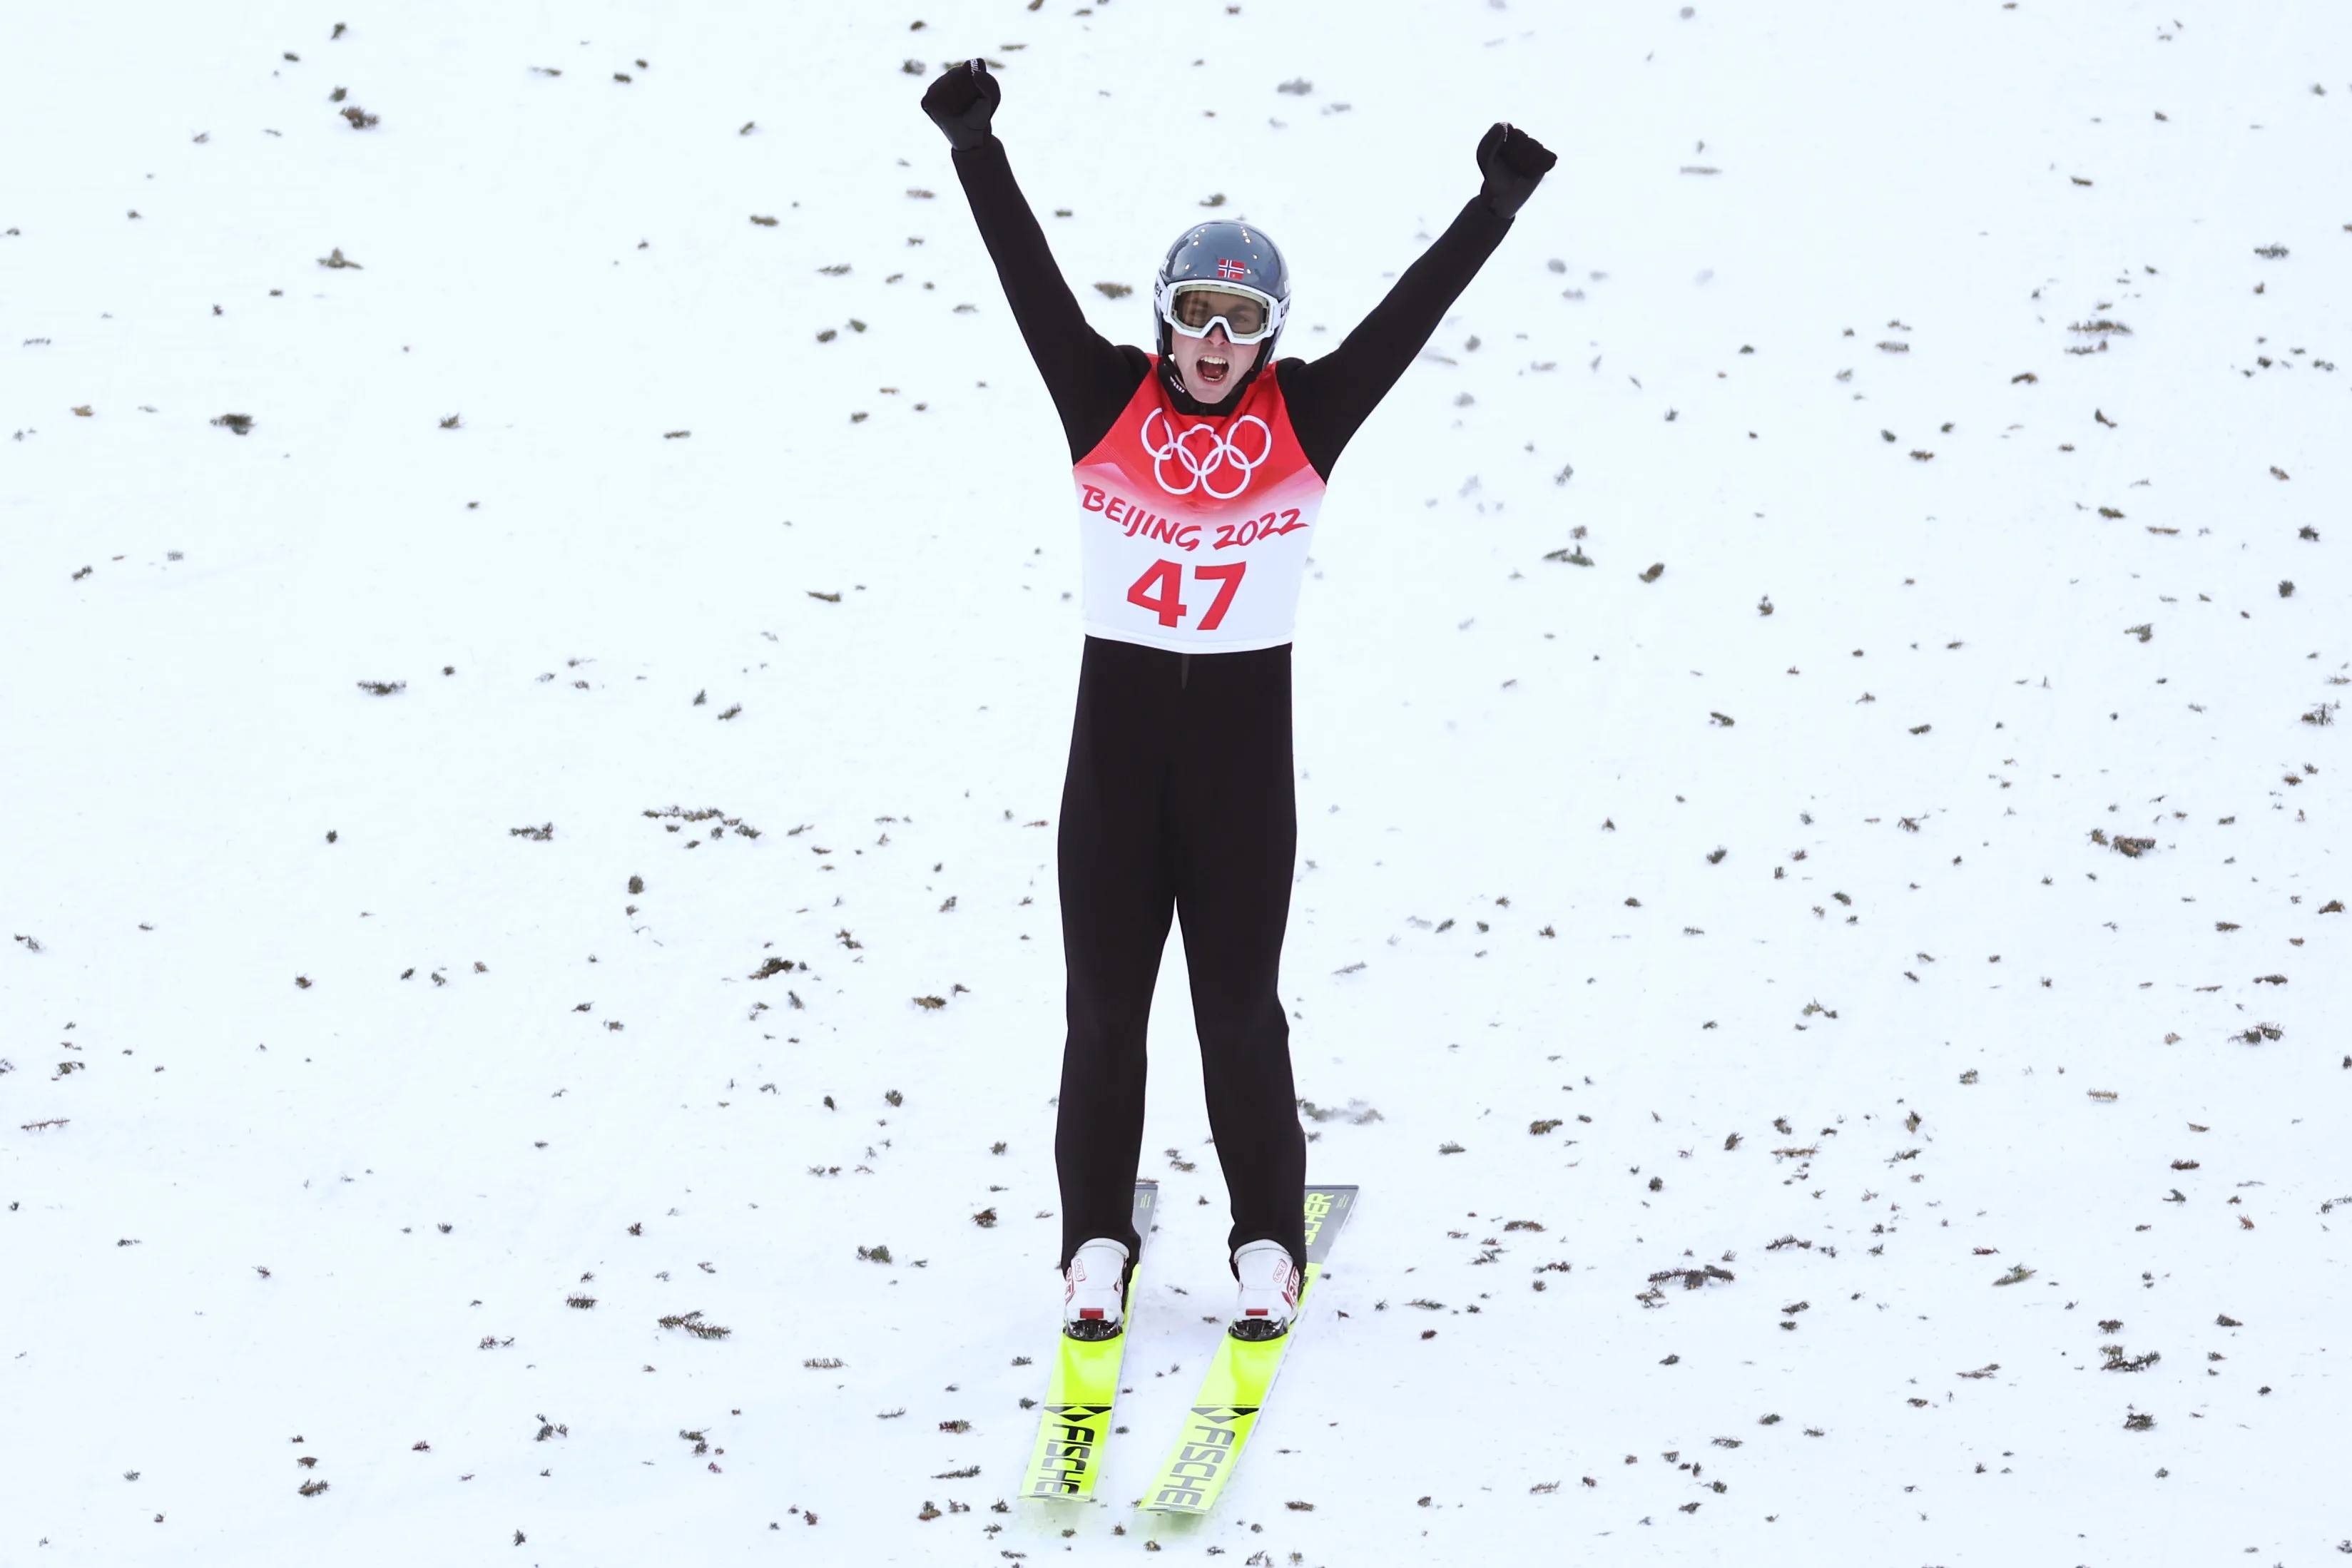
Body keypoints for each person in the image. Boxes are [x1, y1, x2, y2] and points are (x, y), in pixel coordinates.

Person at [920, 58, 1554, 1343]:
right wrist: (978, 146)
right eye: (1198, 318)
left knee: (1237, 1012)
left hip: (1238, 784)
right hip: (1111, 780)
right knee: (1103, 1010)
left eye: (1240, 324)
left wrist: (1491, 209)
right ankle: (1094, 1243)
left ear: (1267, 335)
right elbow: (1026, 278)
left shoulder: (1307, 417)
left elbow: (1404, 320)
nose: (1216, 347)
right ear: (1166, 321)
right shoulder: (1102, 400)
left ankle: (1268, 1240)